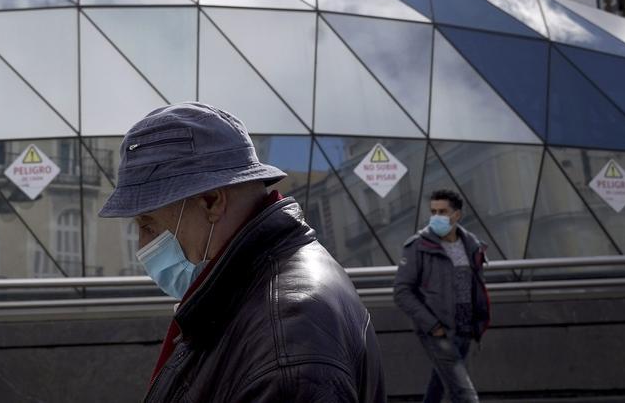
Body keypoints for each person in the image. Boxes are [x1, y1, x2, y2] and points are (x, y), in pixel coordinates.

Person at [98, 102, 386, 402]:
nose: (143, 246)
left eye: (148, 224)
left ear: (211, 201)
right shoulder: (259, 291)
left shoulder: (284, 341)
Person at [393, 189, 491, 403]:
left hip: (465, 329)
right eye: (433, 211)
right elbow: (402, 291)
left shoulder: (471, 244)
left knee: (439, 386)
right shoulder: (418, 246)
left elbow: (476, 285)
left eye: (443, 211)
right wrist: (432, 325)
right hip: (438, 332)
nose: (436, 217)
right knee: (465, 394)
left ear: (456, 215)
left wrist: (477, 322)